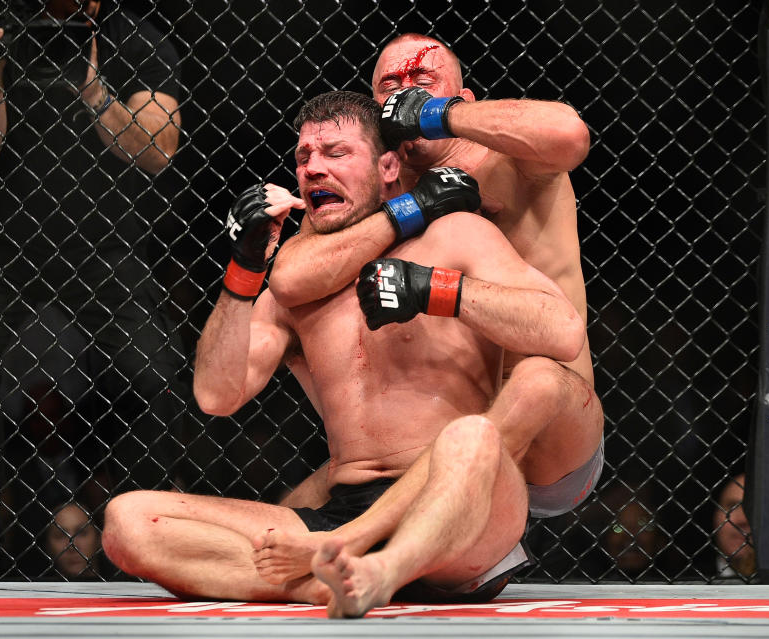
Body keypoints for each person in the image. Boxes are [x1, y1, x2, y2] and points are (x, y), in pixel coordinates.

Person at [101, 90, 587, 616]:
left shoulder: (454, 235)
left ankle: (382, 567)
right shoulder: (296, 288)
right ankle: (328, 576)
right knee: (129, 522)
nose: (313, 168)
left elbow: (561, 329)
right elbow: (216, 394)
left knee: (472, 436)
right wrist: (244, 270)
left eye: (335, 153)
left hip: (459, 500)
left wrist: (433, 289)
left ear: (385, 167)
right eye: (303, 157)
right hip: (343, 513)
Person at [255, 33, 603, 582]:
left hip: (548, 435)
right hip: (430, 444)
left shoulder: (511, 156)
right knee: (279, 536)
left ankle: (389, 539)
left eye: (421, 82)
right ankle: (337, 562)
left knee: (535, 379)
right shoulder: (371, 183)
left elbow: (570, 134)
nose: (403, 94)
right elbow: (295, 275)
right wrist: (409, 208)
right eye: (389, 86)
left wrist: (437, 116)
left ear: (461, 96)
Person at [0, 0, 184, 579]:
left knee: (151, 370)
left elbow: (158, 150)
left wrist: (92, 89)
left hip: (104, 239)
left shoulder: (133, 39)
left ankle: (145, 537)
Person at [713, 473, 756, 581]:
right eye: (733, 506)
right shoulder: (680, 580)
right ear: (715, 515)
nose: (742, 520)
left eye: (755, 508)